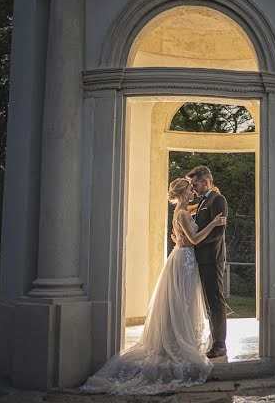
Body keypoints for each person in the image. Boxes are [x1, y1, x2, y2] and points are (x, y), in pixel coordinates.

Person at [81, 178, 226, 394]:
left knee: (183, 303)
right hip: (185, 260)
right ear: (183, 193)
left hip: (183, 259)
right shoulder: (183, 213)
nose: (193, 192)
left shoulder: (183, 209)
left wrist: (209, 198)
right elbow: (194, 239)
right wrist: (213, 224)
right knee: (183, 303)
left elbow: (189, 220)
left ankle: (180, 339)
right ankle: (179, 342)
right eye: (190, 189)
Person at [184, 165, 230, 358]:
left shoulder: (218, 200)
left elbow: (218, 233)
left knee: (216, 301)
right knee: (208, 302)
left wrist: (195, 243)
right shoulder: (203, 201)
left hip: (212, 258)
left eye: (195, 184)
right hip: (201, 259)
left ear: (205, 181)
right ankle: (213, 340)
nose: (193, 188)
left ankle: (220, 345)